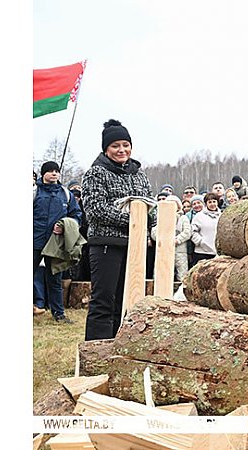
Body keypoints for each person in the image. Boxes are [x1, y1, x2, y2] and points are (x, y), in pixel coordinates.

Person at [82, 119, 153, 340]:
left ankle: (118, 345)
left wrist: (152, 220)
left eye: (125, 145)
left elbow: (149, 205)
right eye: (115, 146)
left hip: (134, 246)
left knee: (126, 301)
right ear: (106, 149)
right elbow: (95, 210)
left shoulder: (139, 174)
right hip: (106, 245)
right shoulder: (96, 173)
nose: (121, 150)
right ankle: (96, 349)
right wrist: (133, 220)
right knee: (104, 301)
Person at [34, 160, 83, 322]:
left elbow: (76, 215)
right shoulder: (34, 192)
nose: (54, 173)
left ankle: (59, 314)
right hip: (33, 242)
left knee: (55, 280)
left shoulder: (66, 194)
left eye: (56, 170)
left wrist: (65, 226)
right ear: (43, 174)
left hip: (55, 245)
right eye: (50, 171)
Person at [150, 195, 192, 282]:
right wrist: (162, 239)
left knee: (182, 275)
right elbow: (154, 233)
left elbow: (187, 232)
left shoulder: (183, 218)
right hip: (164, 250)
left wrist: (177, 240)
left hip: (180, 251)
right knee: (161, 273)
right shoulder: (161, 218)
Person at [191, 192, 222, 263]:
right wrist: (200, 241)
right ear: (206, 203)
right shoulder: (199, 216)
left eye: (214, 201)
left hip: (216, 252)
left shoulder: (221, 216)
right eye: (210, 202)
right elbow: (192, 231)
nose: (212, 204)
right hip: (202, 252)